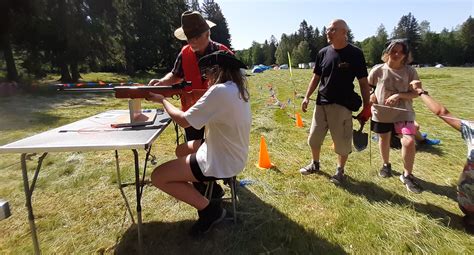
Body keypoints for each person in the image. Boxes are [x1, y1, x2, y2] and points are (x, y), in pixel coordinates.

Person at [147, 51, 251, 236]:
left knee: (158, 176)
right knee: (181, 150)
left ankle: (209, 211)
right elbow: (212, 101)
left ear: (216, 71)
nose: (206, 79)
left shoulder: (218, 91)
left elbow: (184, 120)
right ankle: (206, 189)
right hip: (233, 153)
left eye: (207, 74)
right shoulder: (237, 89)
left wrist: (162, 99)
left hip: (220, 159)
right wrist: (191, 94)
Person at [148, 10, 232, 197]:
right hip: (192, 112)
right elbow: (175, 74)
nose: (191, 41)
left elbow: (235, 87)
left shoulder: (223, 53)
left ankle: (225, 175)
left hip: (218, 116)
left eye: (195, 37)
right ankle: (208, 189)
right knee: (194, 153)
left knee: (219, 150)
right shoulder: (184, 53)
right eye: (188, 37)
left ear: (207, 34)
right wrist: (162, 83)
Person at [299, 19, 371, 184]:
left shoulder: (355, 54)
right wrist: (306, 96)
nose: (327, 32)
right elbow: (316, 77)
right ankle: (315, 164)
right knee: (313, 139)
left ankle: (340, 171)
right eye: (327, 30)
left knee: (342, 142)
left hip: (342, 105)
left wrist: (367, 106)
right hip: (321, 103)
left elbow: (363, 82)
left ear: (343, 33)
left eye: (332, 30)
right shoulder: (323, 53)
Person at [411, 80, 474, 232]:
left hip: (469, 199)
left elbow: (442, 113)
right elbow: (442, 112)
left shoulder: (472, 130)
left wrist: (420, 91)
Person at [367, 39, 423, 193]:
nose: (397, 54)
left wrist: (398, 95)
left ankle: (407, 175)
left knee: (409, 141)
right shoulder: (377, 70)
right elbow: (369, 88)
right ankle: (386, 165)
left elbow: (416, 93)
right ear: (388, 52)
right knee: (384, 139)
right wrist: (372, 96)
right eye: (394, 51)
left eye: (401, 52)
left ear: (406, 55)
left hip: (403, 114)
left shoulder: (410, 71)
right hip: (382, 113)